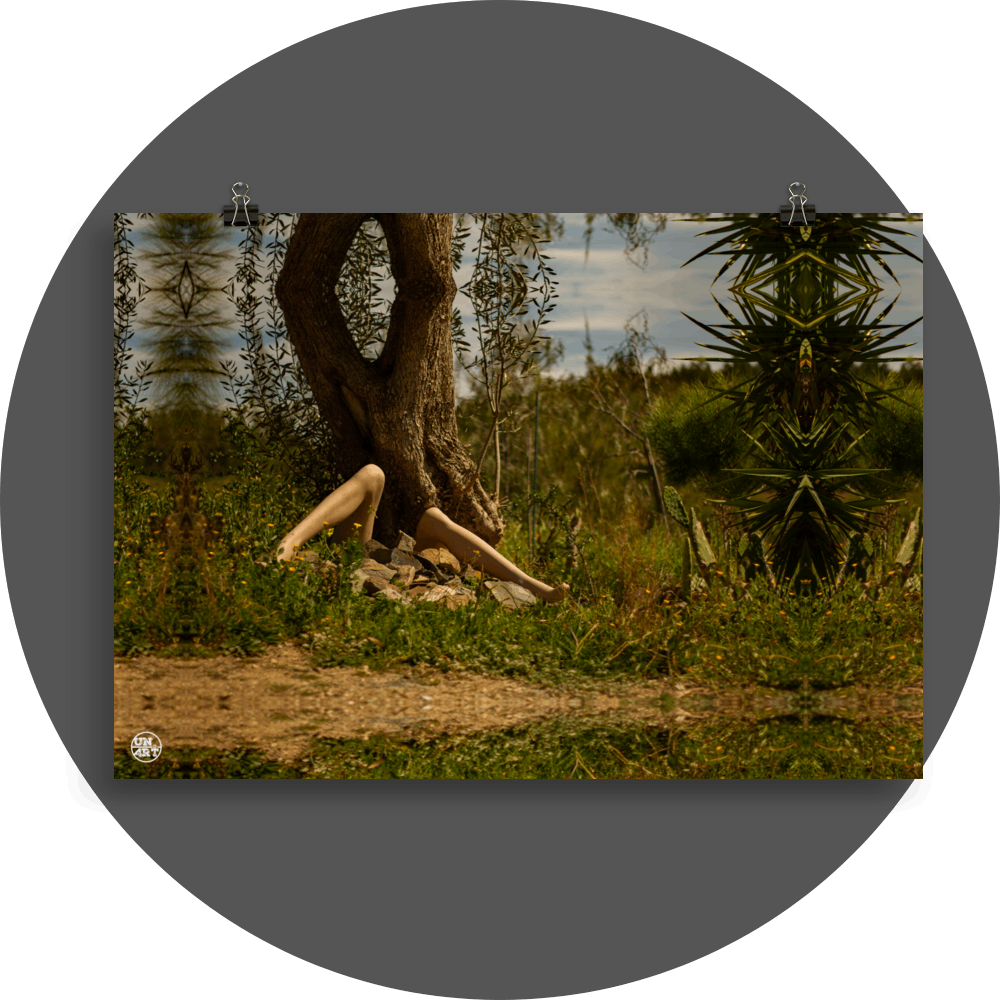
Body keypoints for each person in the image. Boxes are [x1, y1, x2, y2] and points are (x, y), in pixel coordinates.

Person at [272, 464, 571, 605]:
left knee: (433, 517)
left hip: (403, 559)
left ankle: (534, 587)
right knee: (374, 473)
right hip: (356, 550)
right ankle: (286, 546)